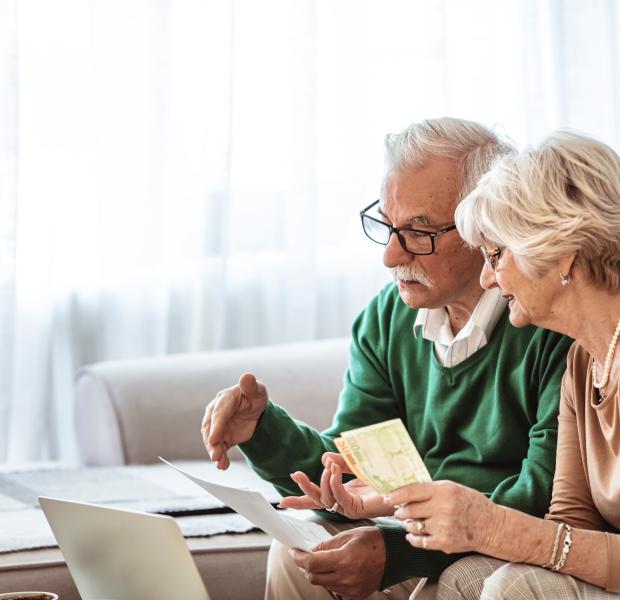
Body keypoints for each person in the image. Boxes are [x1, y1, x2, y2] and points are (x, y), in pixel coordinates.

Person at [201, 117, 572, 600]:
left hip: (498, 539)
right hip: (416, 533)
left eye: (419, 231)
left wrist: (398, 550)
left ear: (486, 223)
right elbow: (351, 472)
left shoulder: (548, 321)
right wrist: (261, 430)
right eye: (386, 225)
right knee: (299, 551)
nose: (391, 257)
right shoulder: (388, 317)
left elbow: (543, 496)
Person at [369, 131, 620, 599]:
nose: (486, 276)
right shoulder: (584, 363)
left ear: (561, 250)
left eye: (496, 254)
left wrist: (491, 526)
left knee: (513, 584)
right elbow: (567, 523)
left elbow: (550, 544)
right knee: (466, 578)